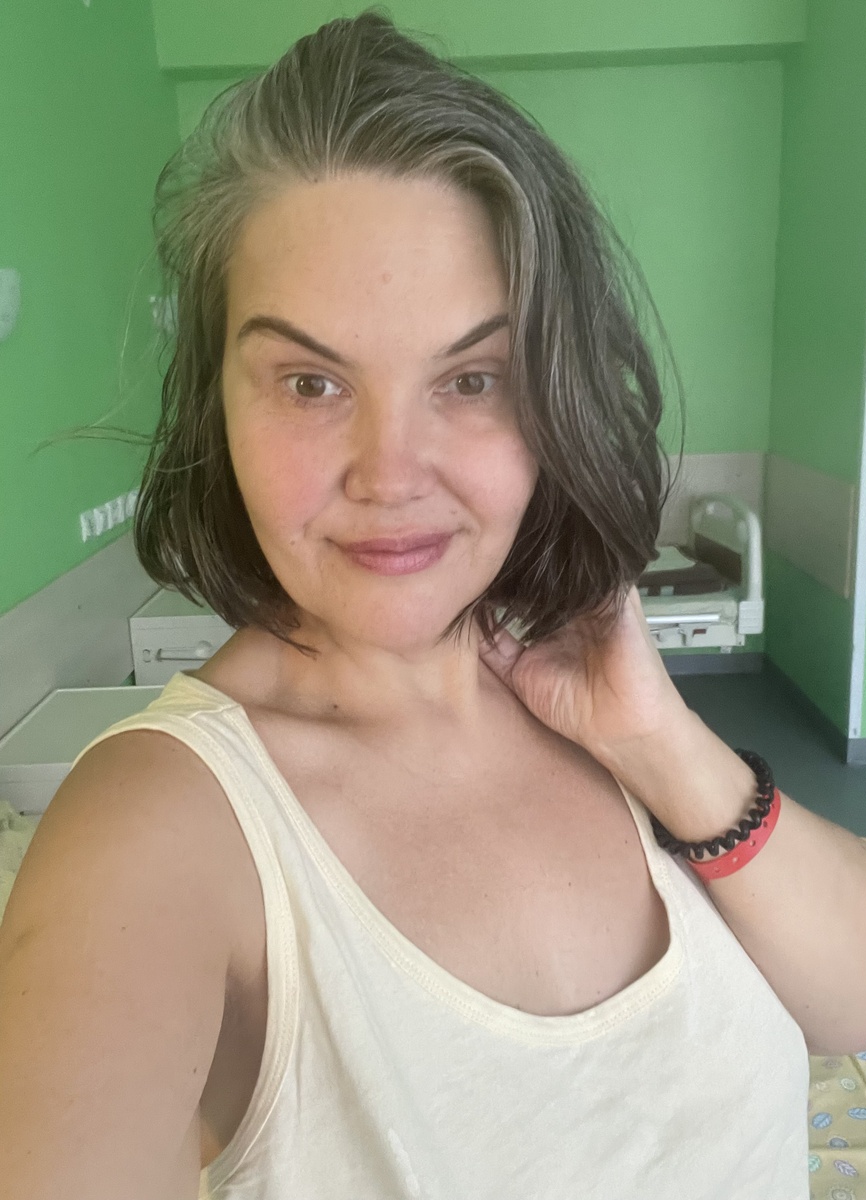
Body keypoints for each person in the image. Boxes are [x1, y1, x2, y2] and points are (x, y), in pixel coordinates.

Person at [0, 11, 814, 1199]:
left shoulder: (601, 716)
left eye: (471, 378)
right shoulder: (148, 840)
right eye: (310, 382)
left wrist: (664, 744)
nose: (390, 474)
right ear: (216, 405)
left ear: (552, 396)